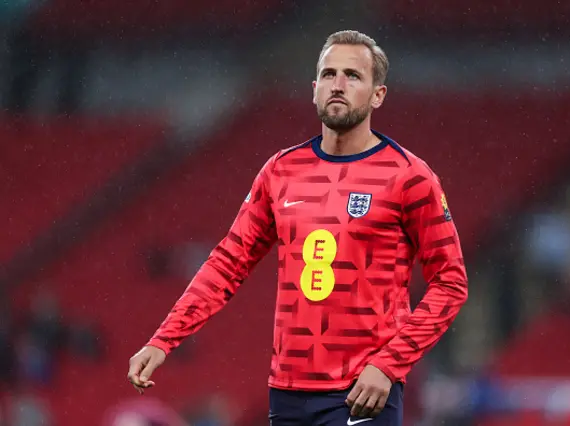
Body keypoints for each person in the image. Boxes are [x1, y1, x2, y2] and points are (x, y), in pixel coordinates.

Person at [127, 30, 468, 426]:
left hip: (362, 391)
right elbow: (227, 263)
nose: (337, 85)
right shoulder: (281, 171)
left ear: (378, 95)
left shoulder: (410, 177)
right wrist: (164, 338)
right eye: (328, 74)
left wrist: (390, 364)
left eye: (353, 76)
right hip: (288, 392)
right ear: (314, 88)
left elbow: (450, 282)